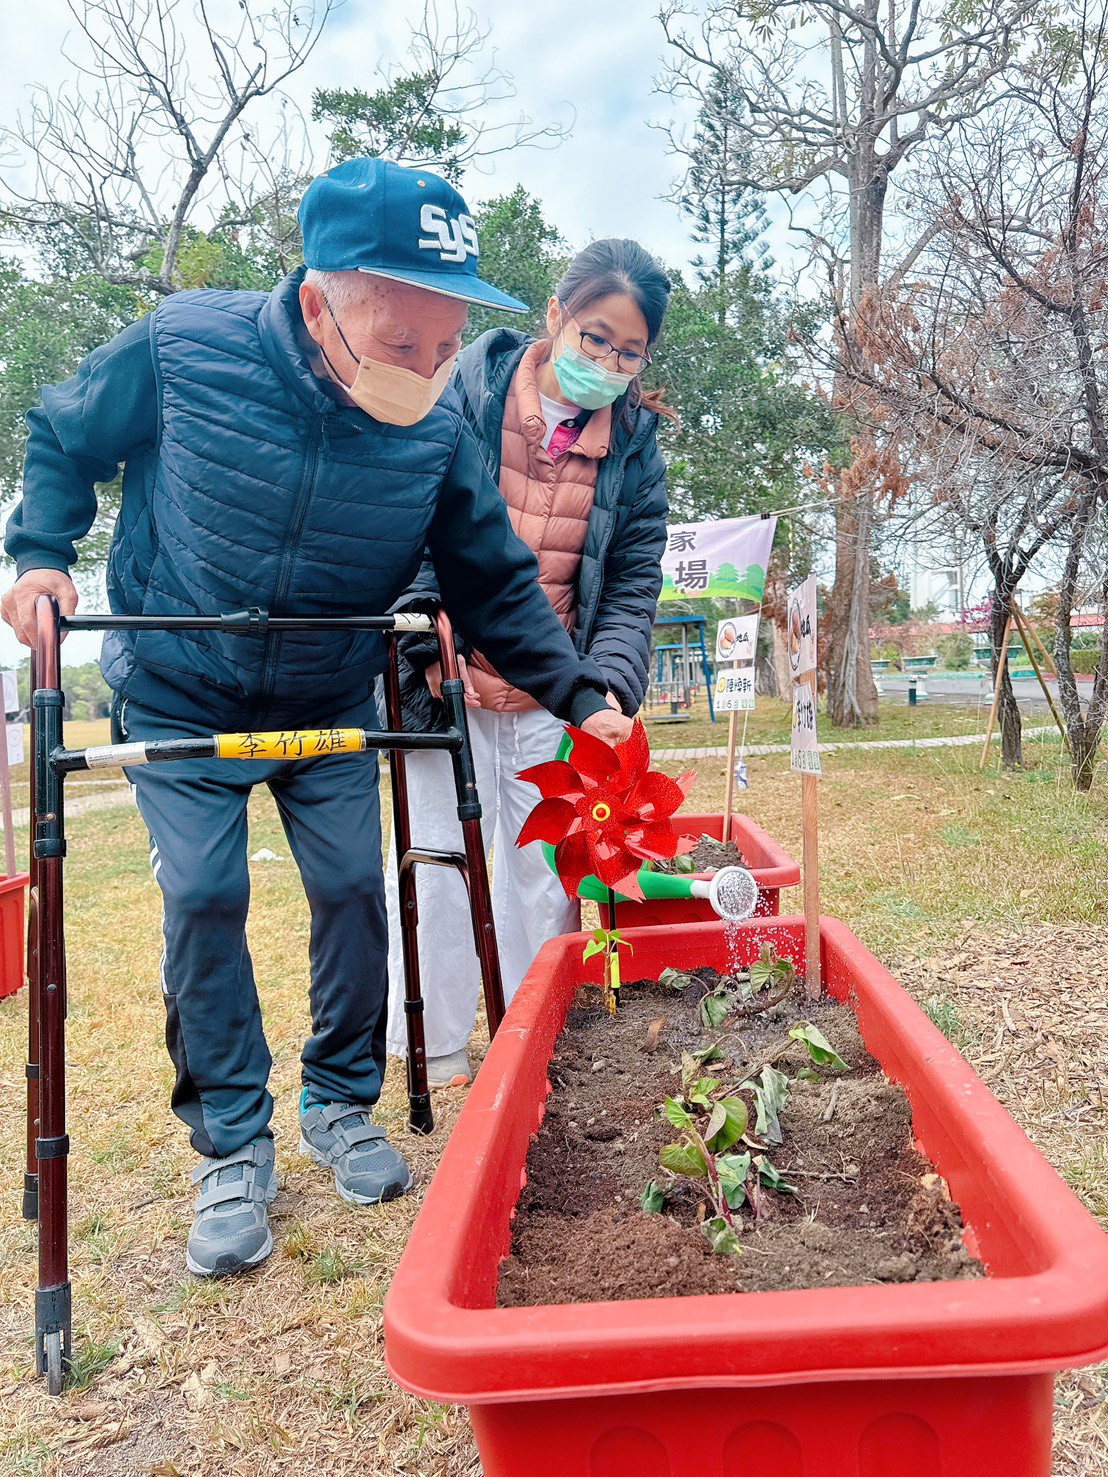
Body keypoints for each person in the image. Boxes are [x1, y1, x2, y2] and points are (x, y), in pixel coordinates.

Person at [1, 158, 633, 1278]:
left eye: (448, 348)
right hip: (181, 678)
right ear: (316, 303)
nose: (428, 371)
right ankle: (231, 1143)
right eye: (403, 343)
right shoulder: (184, 346)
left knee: (351, 890)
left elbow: (492, 580)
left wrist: (582, 697)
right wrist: (42, 553)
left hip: (329, 686)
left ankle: (340, 1100)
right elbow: (64, 433)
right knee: (206, 896)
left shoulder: (432, 425)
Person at [385, 239, 673, 1086]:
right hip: (448, 677)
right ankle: (435, 1046)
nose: (608, 364)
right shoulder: (463, 390)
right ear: (555, 314)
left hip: (554, 689)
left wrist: (601, 689)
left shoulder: (636, 448)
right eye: (595, 338)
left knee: (545, 873)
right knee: (437, 861)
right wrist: (430, 641)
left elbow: (631, 585)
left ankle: (533, 1036)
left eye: (629, 352)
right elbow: (410, 523)